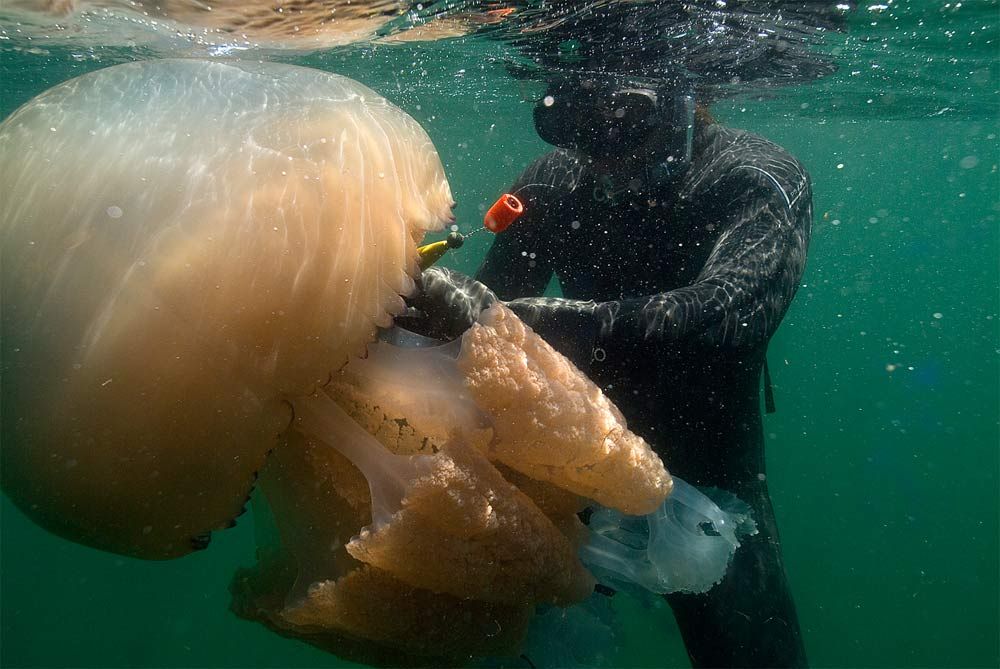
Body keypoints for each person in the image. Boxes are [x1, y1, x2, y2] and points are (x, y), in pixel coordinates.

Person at [408, 70, 812, 668]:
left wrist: (565, 322)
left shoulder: (754, 177)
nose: (602, 154)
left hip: (708, 454)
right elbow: (483, 312)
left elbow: (732, 313)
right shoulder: (556, 179)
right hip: (568, 447)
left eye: (624, 124)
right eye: (580, 129)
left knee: (752, 653)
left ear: (681, 102)